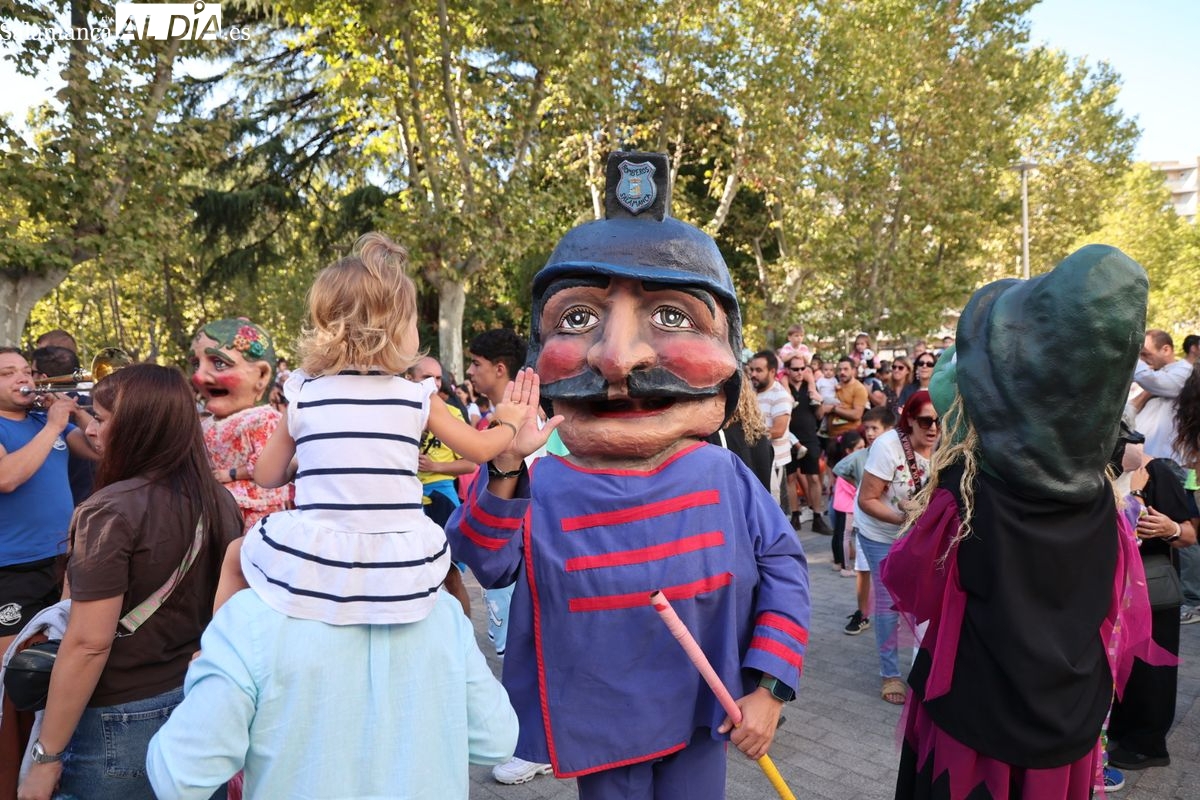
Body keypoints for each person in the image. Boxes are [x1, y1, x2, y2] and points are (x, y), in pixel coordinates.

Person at [446, 151, 810, 800]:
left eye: (673, 316)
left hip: (703, 718)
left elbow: (786, 568)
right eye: (578, 317)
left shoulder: (723, 477)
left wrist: (771, 688)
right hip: (599, 733)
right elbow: (485, 559)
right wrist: (505, 463)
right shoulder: (543, 484)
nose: (617, 358)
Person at [882, 245, 1163, 799]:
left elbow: (911, 585)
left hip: (973, 719)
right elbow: (1111, 606)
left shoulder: (963, 495)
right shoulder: (1103, 504)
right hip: (1067, 715)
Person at [229, 233, 551, 626]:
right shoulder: (416, 396)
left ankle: (214, 649)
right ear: (395, 329)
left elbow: (266, 476)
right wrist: (510, 420)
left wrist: (305, 460)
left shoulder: (302, 394)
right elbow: (482, 449)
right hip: (399, 561)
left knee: (234, 556)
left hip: (320, 557)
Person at [16, 364, 242, 800]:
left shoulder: (110, 510)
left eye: (100, 418)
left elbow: (87, 643)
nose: (93, 430)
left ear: (137, 426)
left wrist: (45, 759)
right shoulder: (220, 500)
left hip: (117, 720)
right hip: (197, 707)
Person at [145, 579, 518, 799]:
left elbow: (180, 777)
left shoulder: (251, 619)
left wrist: (203, 678)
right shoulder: (442, 614)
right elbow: (496, 739)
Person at [0, 348, 98, 796]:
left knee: (56, 668)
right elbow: (7, 477)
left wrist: (77, 413)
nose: (23, 379)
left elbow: (100, 449)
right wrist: (57, 425)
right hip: (12, 568)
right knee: (13, 680)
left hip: (62, 562)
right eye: (8, 373)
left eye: (25, 370)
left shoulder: (45, 422)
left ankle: (49, 767)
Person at [1106, 425, 1196, 772]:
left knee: (1150, 670)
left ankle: (1147, 744)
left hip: (1152, 591)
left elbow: (1189, 535)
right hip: (1110, 590)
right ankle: (1117, 730)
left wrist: (1168, 528)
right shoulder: (1099, 478)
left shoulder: (1157, 472)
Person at [854, 390, 938, 705]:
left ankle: (923, 668)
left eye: (939, 421)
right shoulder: (887, 447)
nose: (933, 428)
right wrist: (904, 517)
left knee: (925, 599)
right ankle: (889, 674)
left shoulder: (946, 442)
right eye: (925, 421)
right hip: (881, 533)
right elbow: (867, 500)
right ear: (909, 420)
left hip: (920, 534)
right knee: (889, 602)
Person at [190, 318, 291, 532]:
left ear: (262, 375)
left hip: (252, 510)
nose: (198, 376)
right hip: (212, 506)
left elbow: (268, 465)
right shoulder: (206, 423)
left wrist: (231, 474)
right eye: (196, 364)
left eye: (219, 363)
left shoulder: (264, 419)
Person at [30, 346, 96, 506]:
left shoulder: (39, 412)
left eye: (31, 373)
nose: (29, 379)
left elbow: (102, 448)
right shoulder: (93, 404)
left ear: (43, 377)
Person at [1130, 329, 1191, 461]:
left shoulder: (1184, 370)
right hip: (1142, 457)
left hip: (1165, 459)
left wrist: (1131, 357)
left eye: (1146, 354)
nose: (1142, 360)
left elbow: (1159, 383)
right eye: (1140, 356)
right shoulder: (1152, 376)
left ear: (1166, 350)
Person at [784, 355, 828, 532]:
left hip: (810, 436)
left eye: (802, 368)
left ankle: (817, 516)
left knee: (814, 478)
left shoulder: (810, 385)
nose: (799, 372)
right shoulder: (783, 386)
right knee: (790, 478)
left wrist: (818, 400)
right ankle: (795, 515)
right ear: (788, 369)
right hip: (788, 437)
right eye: (795, 369)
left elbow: (820, 415)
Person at [748, 350, 793, 508]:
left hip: (773, 462)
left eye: (759, 370)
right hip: (754, 458)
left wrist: (745, 434)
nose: (753, 374)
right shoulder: (750, 391)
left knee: (773, 508)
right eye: (751, 370)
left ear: (772, 372)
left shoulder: (780, 396)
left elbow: (778, 431)